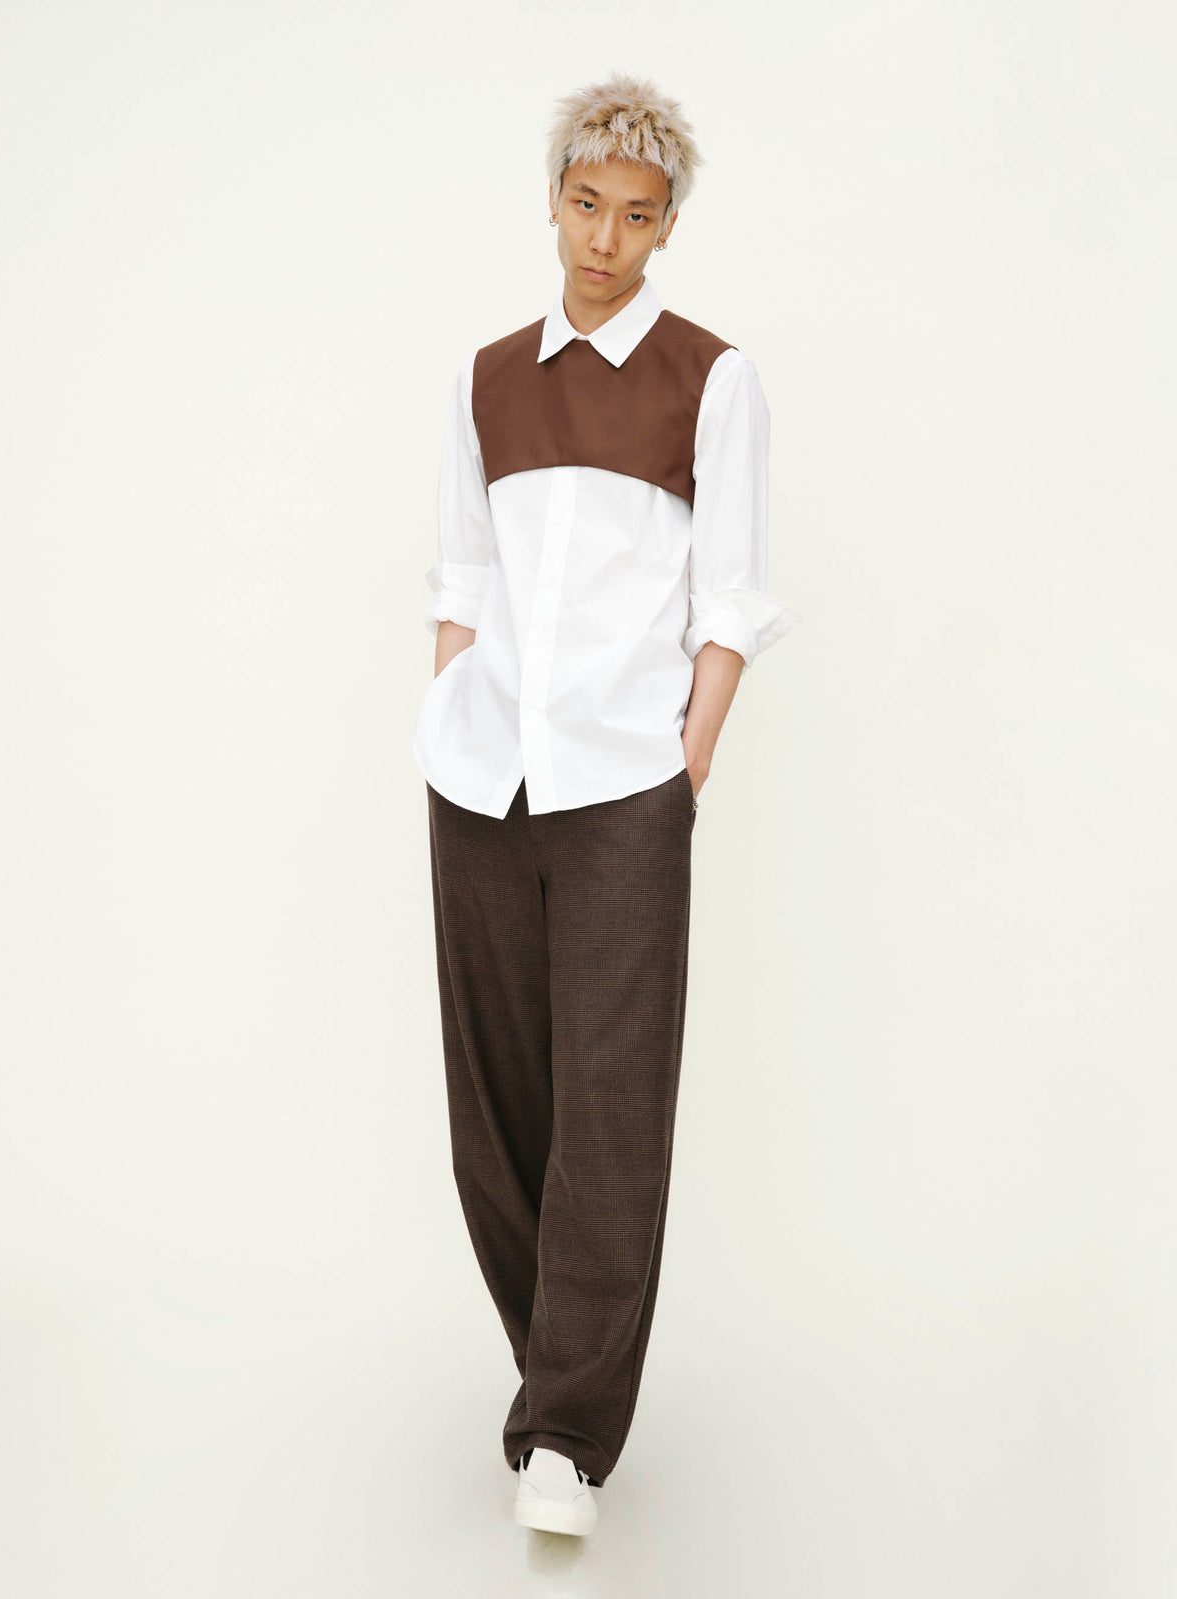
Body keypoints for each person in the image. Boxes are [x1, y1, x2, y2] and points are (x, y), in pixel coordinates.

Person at [410, 72, 802, 1536]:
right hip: (480, 778)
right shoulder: (488, 377)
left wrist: (683, 764)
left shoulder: (712, 378)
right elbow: (462, 577)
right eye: (587, 206)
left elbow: (730, 598)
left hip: (625, 784)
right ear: (554, 201)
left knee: (613, 1111)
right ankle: (558, 1365)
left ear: (667, 228)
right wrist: (449, 713)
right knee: (497, 1113)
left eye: (637, 217)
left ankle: (565, 1433)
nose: (605, 239)